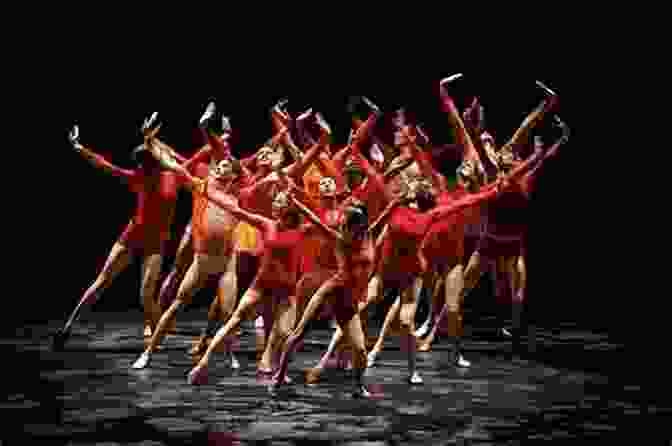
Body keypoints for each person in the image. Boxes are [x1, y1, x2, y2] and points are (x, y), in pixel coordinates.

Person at [53, 117, 186, 350]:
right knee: (102, 280)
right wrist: (79, 147)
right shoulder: (140, 177)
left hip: (156, 241)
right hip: (134, 235)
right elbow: (104, 165)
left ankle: (155, 337)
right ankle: (67, 328)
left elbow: (168, 155)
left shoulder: (174, 175)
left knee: (146, 294)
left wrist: (150, 137)